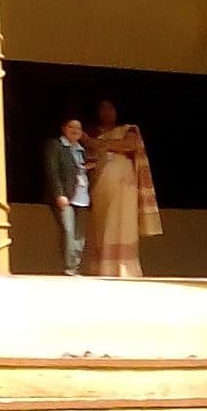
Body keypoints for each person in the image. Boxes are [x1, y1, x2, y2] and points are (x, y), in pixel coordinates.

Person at [82, 99, 159, 282]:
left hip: (125, 187)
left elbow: (130, 145)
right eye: (102, 108)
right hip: (100, 187)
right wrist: (94, 142)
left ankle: (125, 268)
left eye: (110, 108)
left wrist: (99, 143)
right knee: (103, 225)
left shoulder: (128, 129)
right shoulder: (91, 132)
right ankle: (103, 267)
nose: (106, 112)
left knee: (124, 224)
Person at [46, 115, 90, 275]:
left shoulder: (81, 150)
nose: (75, 130)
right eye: (72, 127)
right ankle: (69, 267)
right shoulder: (56, 146)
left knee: (79, 236)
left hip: (82, 197)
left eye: (79, 128)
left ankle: (75, 267)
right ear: (64, 129)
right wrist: (59, 193)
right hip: (66, 196)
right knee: (68, 231)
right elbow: (52, 170)